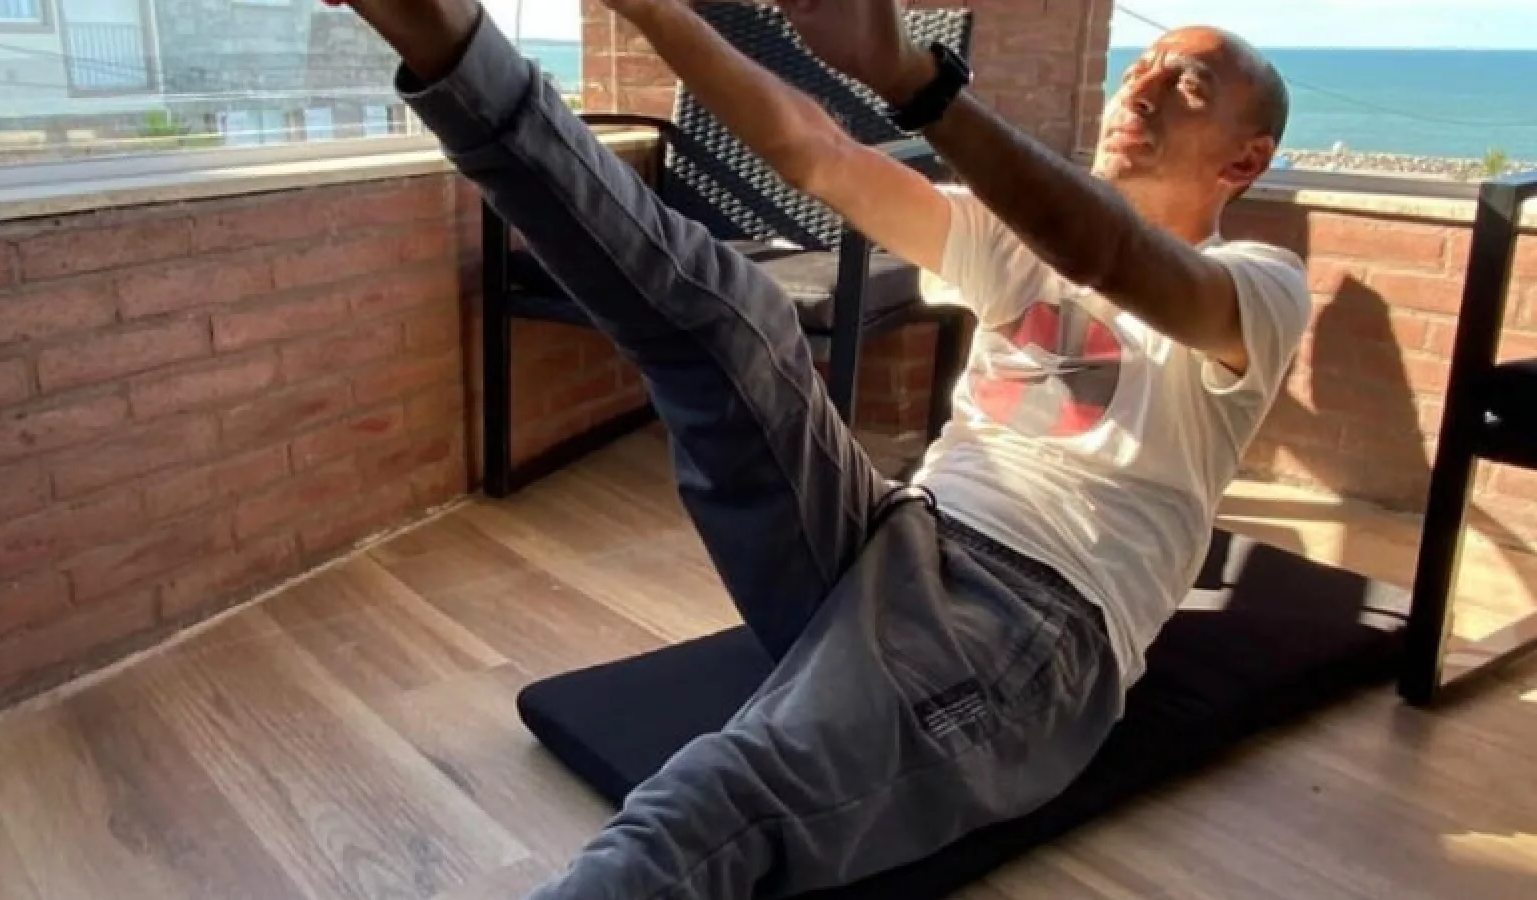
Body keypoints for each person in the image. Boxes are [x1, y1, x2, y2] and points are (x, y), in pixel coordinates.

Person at [327, 0, 1310, 897]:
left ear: (1245, 160)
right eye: (1139, 68)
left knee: (711, 798)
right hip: (894, 529)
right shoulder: (1009, 242)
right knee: (731, 318)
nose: (1142, 87)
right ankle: (447, 41)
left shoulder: (1260, 287)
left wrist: (913, 79)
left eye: (1188, 85)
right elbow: (815, 152)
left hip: (1034, 622)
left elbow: (1114, 255)